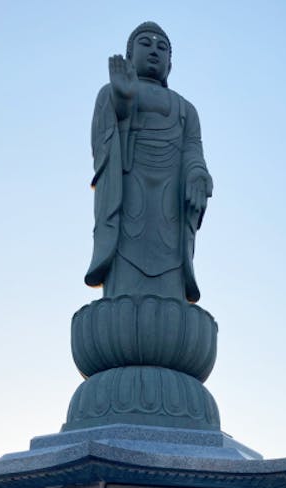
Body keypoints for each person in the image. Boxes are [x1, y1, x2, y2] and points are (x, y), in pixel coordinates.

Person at [84, 22, 213, 303]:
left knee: (169, 266)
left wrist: (199, 175)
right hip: (128, 192)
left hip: (170, 205)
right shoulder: (110, 92)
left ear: (170, 64)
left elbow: (193, 150)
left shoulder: (186, 109)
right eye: (146, 44)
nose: (154, 50)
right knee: (126, 259)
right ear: (130, 56)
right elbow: (101, 145)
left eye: (162, 47)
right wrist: (122, 103)